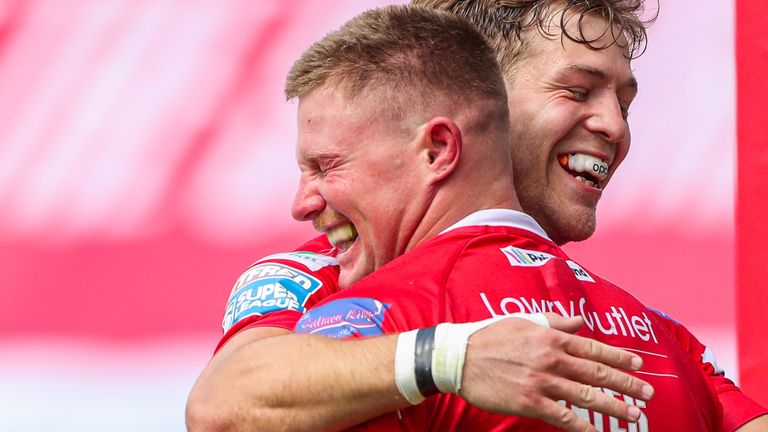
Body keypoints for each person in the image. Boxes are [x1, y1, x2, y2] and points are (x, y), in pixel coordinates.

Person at [186, 1, 768, 431]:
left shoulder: (647, 327)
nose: (615, 126)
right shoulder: (319, 273)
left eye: (624, 103)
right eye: (578, 91)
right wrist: (455, 356)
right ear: (480, 90)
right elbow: (227, 403)